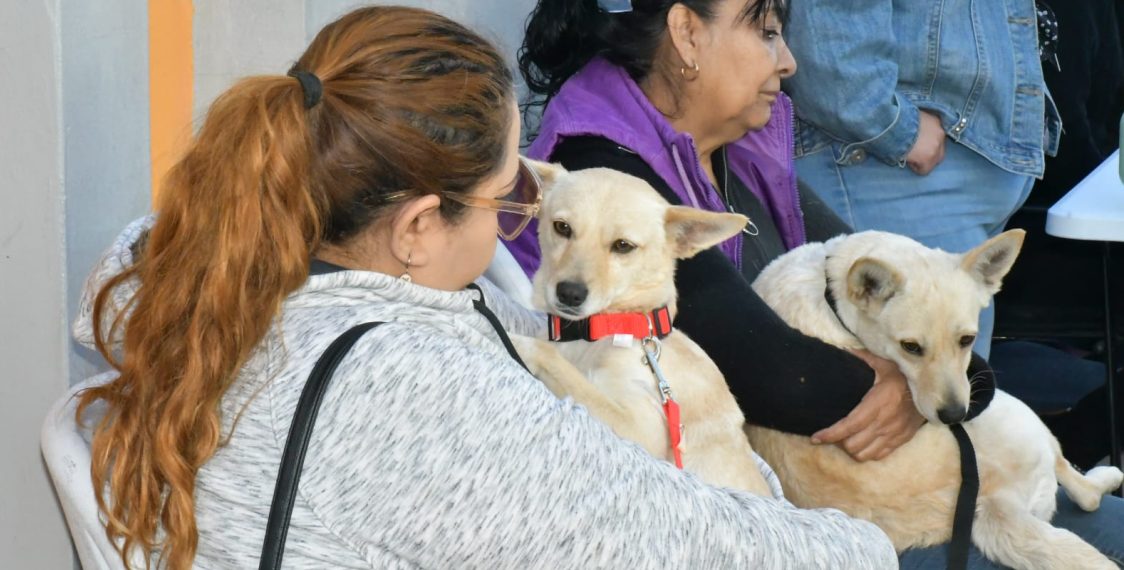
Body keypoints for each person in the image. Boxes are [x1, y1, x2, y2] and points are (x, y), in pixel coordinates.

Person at [72, 6, 901, 569]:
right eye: (510, 193)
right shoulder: (403, 389)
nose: (521, 212)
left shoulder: (231, 268)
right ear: (418, 227)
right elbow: (662, 538)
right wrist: (866, 546)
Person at [512, 0, 1124, 567]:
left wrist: (942, 375)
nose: (790, 60)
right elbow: (785, 381)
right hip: (792, 530)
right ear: (686, 33)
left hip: (863, 500)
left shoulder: (741, 152)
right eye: (768, 31)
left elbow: (915, 292)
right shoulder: (609, 177)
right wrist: (927, 381)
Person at [782, 0, 1063, 360]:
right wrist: (898, 129)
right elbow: (832, 59)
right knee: (922, 402)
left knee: (944, 398)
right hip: (885, 168)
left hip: (932, 173)